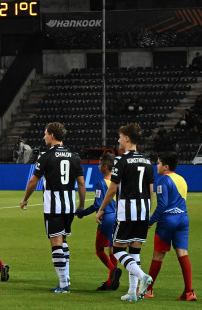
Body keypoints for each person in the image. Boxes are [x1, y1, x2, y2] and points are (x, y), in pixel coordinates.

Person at [20, 122, 85, 293]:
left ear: (52, 136)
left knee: (55, 242)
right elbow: (81, 183)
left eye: (45, 133)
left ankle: (63, 285)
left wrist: (25, 199)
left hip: (53, 206)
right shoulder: (74, 156)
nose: (43, 136)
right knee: (63, 241)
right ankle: (66, 277)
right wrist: (81, 204)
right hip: (69, 206)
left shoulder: (46, 156)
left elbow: (34, 180)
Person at [94, 123, 154, 302]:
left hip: (127, 211)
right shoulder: (147, 161)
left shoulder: (121, 161)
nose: (118, 140)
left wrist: (101, 209)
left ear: (127, 139)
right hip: (143, 211)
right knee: (134, 252)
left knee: (118, 249)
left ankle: (143, 276)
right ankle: (132, 292)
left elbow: (112, 189)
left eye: (120, 137)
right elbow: (150, 190)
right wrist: (147, 211)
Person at [145, 151, 195, 301]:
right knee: (183, 254)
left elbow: (163, 205)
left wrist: (151, 221)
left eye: (159, 163)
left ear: (166, 166)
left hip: (168, 221)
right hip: (183, 219)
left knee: (158, 255)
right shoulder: (181, 179)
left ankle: (148, 290)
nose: (157, 166)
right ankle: (189, 292)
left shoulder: (163, 180)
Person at [75, 152, 122, 291]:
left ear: (106, 166)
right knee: (112, 249)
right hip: (119, 218)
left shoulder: (101, 183)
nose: (98, 166)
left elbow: (97, 205)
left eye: (100, 164)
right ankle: (111, 282)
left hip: (106, 219)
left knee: (99, 250)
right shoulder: (118, 183)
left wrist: (82, 212)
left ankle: (113, 270)